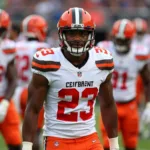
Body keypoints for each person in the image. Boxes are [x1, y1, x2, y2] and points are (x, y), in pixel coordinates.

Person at [22, 7, 119, 150]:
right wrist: (26, 146)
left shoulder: (102, 60)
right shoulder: (48, 62)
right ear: (62, 34)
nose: (78, 39)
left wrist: (114, 144)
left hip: (90, 138)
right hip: (58, 139)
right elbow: (33, 108)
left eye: (82, 33)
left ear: (91, 35)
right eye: (72, 33)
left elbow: (108, 104)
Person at [97, 19, 150, 150]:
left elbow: (147, 81)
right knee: (108, 145)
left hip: (130, 105)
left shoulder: (139, 54)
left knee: (131, 144)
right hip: (109, 105)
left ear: (131, 39)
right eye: (118, 39)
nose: (120, 43)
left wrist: (148, 105)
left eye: (124, 40)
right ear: (113, 37)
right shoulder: (104, 49)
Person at [13, 14, 50, 150]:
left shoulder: (15, 45)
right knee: (35, 131)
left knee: (20, 130)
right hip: (34, 92)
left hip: (16, 92)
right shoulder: (43, 47)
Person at [0, 9, 22, 150]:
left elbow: (13, 79)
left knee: (15, 143)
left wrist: (5, 104)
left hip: (3, 98)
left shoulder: (8, 47)